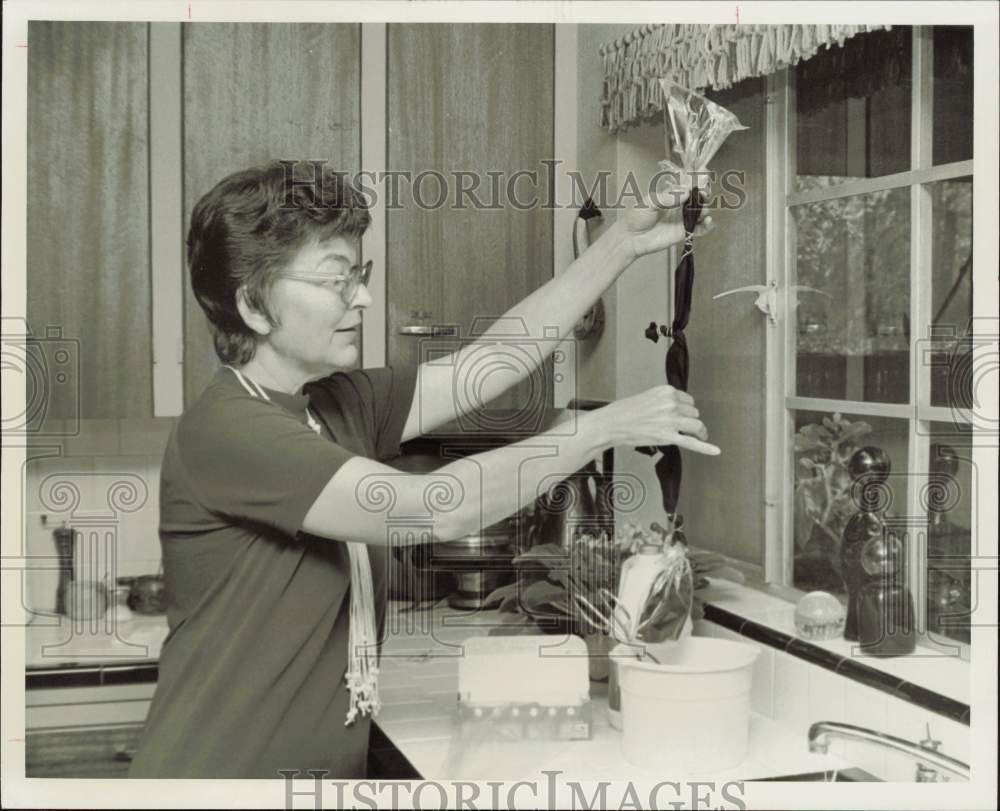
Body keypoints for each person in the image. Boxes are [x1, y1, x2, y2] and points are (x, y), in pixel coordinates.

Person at [128, 161, 718, 779]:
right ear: (253, 304)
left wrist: (623, 240)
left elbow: (492, 360)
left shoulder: (335, 404)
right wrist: (598, 428)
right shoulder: (227, 429)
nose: (361, 296)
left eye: (360, 273)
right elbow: (436, 506)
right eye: (336, 280)